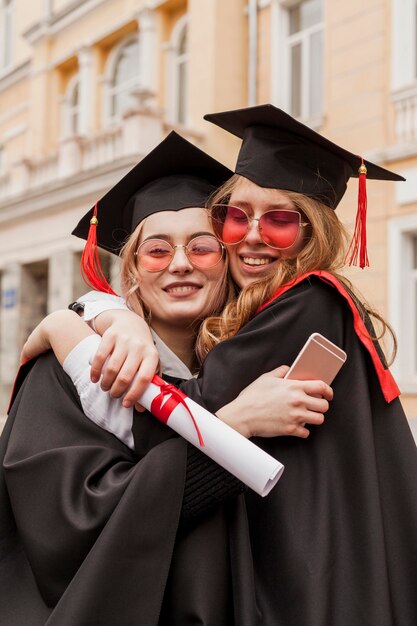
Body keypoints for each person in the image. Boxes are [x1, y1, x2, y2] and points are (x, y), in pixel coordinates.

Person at [68, 105, 417, 626]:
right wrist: (114, 313)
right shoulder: (289, 305)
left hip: (303, 576)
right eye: (236, 214)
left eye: (279, 219)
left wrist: (76, 327)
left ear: (312, 232)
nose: (252, 235)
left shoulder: (306, 303)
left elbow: (179, 422)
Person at [0, 131, 331, 626]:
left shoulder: (250, 365)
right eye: (156, 251)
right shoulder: (69, 369)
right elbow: (70, 527)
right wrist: (232, 428)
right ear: (131, 270)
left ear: (229, 261)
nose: (180, 264)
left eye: (202, 247)